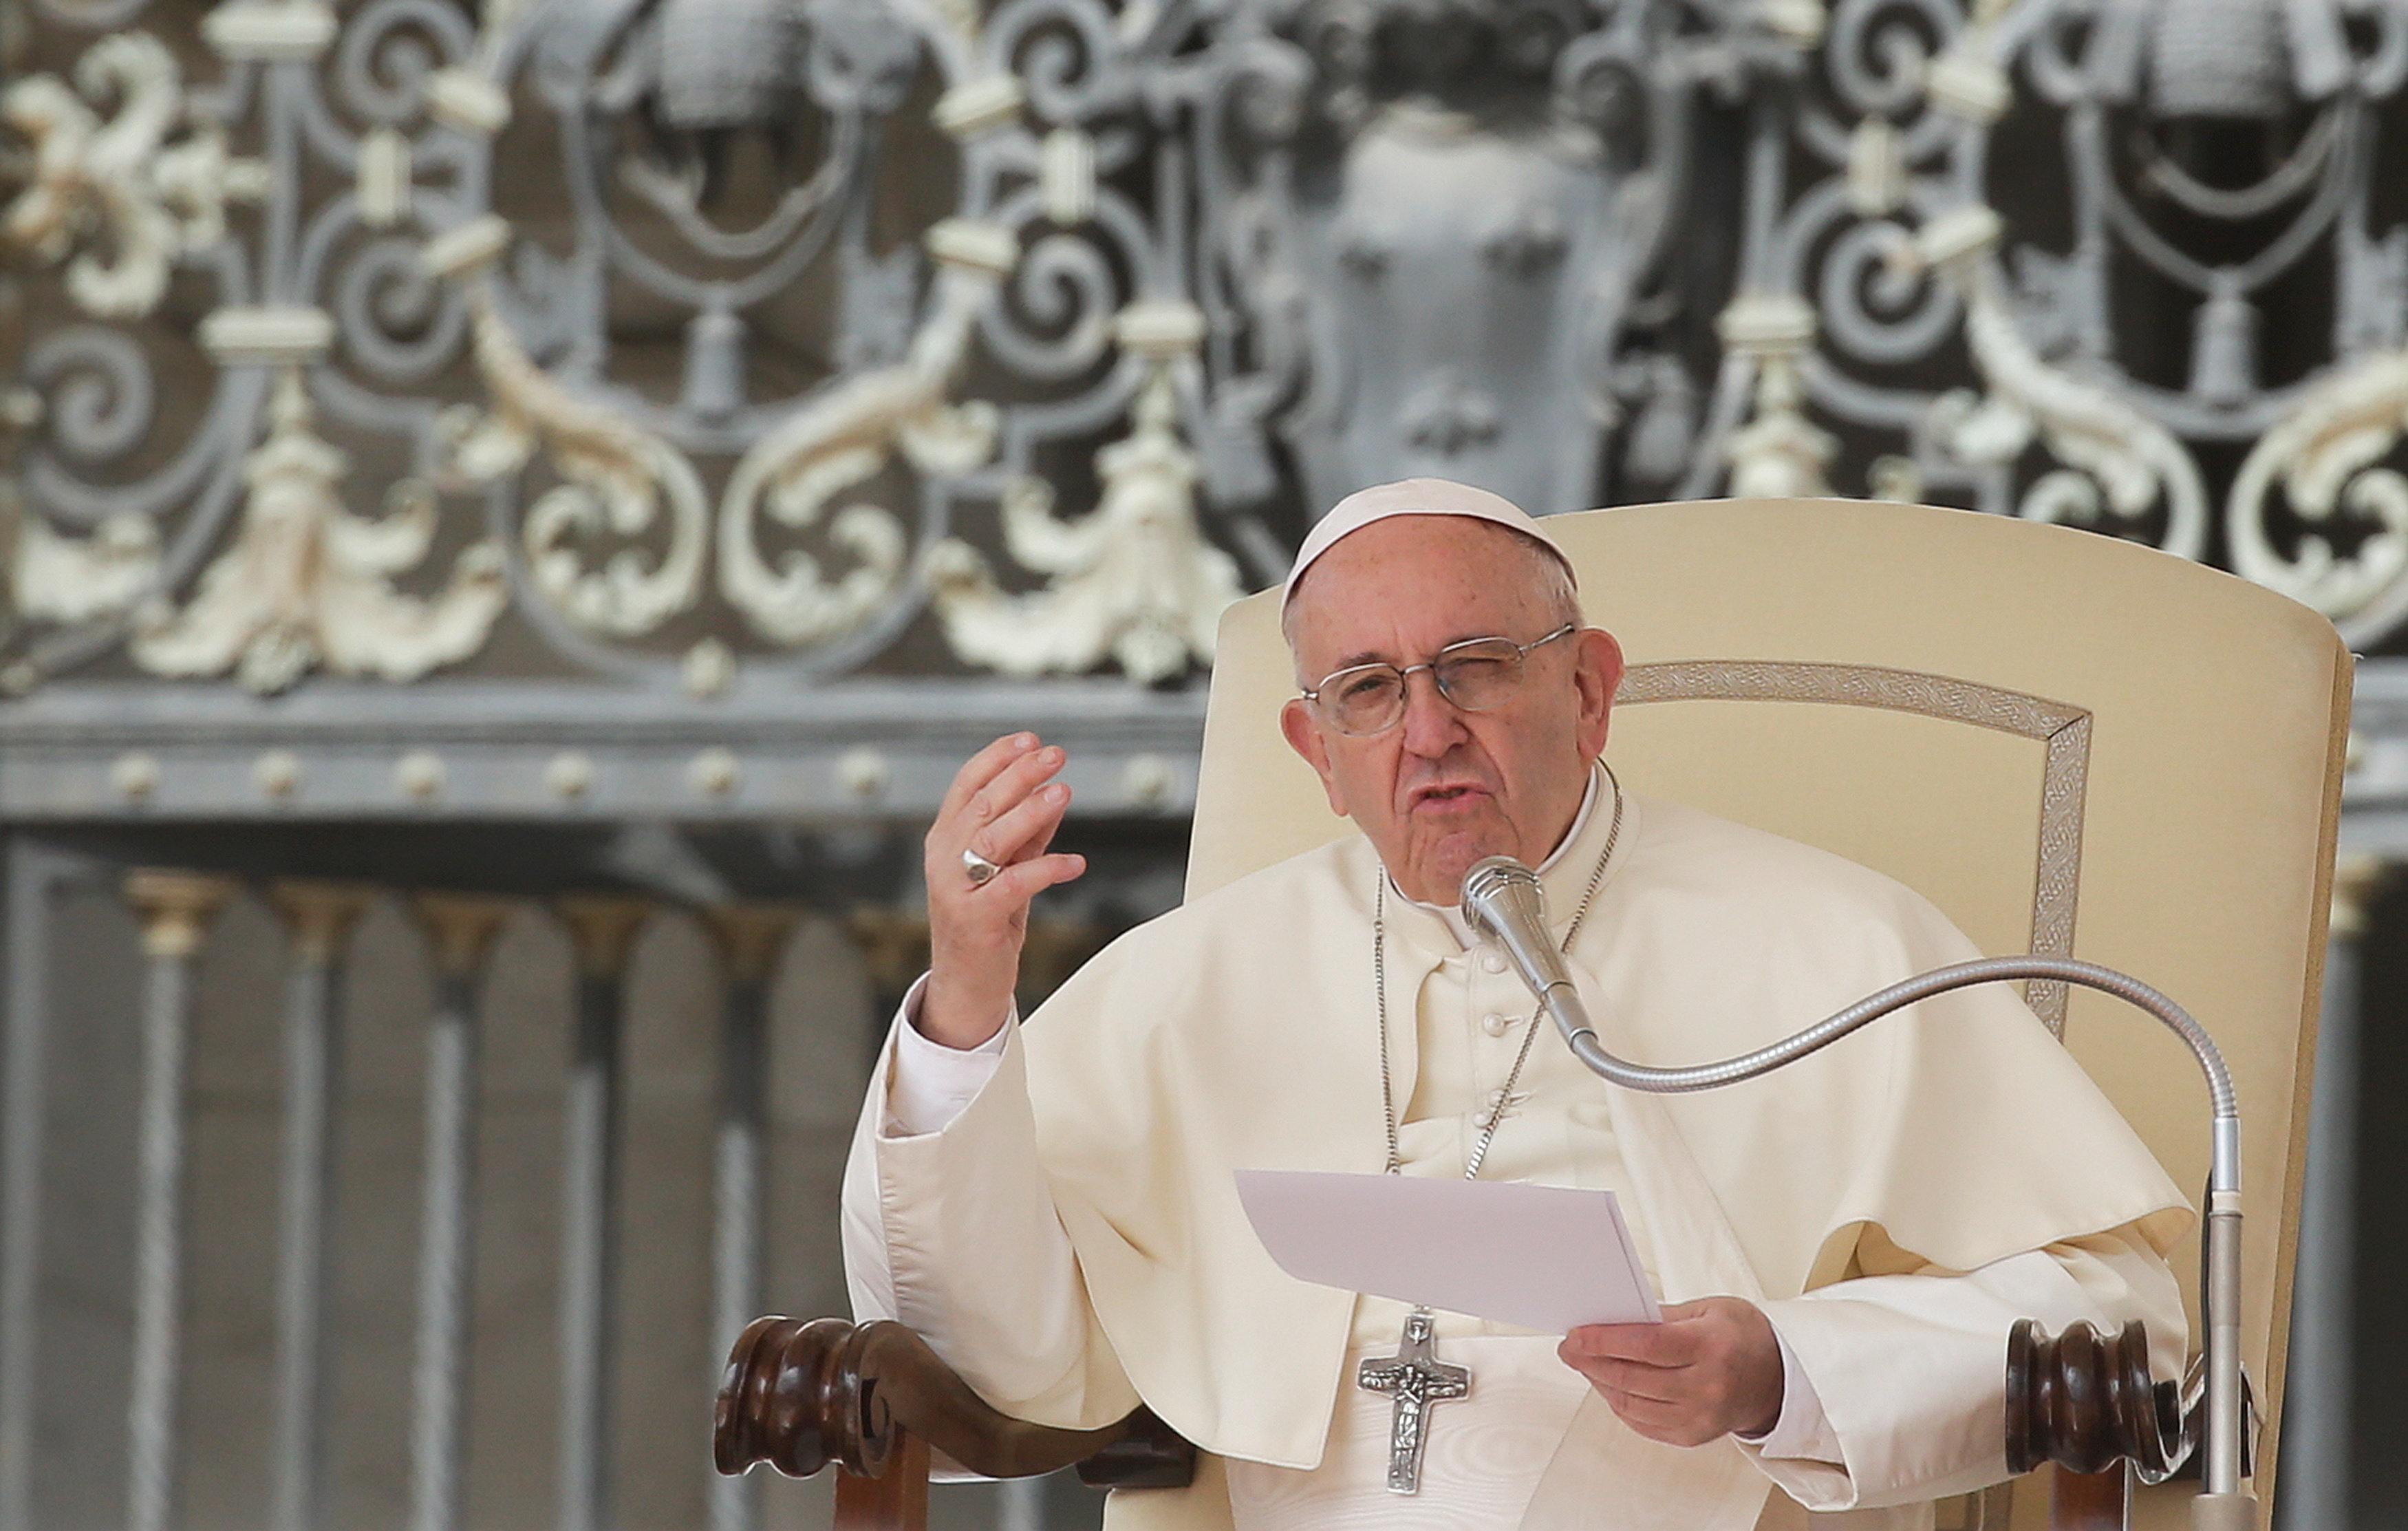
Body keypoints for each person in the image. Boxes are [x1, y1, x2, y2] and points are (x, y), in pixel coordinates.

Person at [841, 478, 2189, 1531]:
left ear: (1589, 690)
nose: (1426, 733)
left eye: (1474, 666)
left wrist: (1784, 1366)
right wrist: (966, 997)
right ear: (1318, 751)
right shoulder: (1188, 980)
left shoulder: (1834, 940)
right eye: (1367, 691)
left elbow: (2124, 1322)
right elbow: (993, 1349)